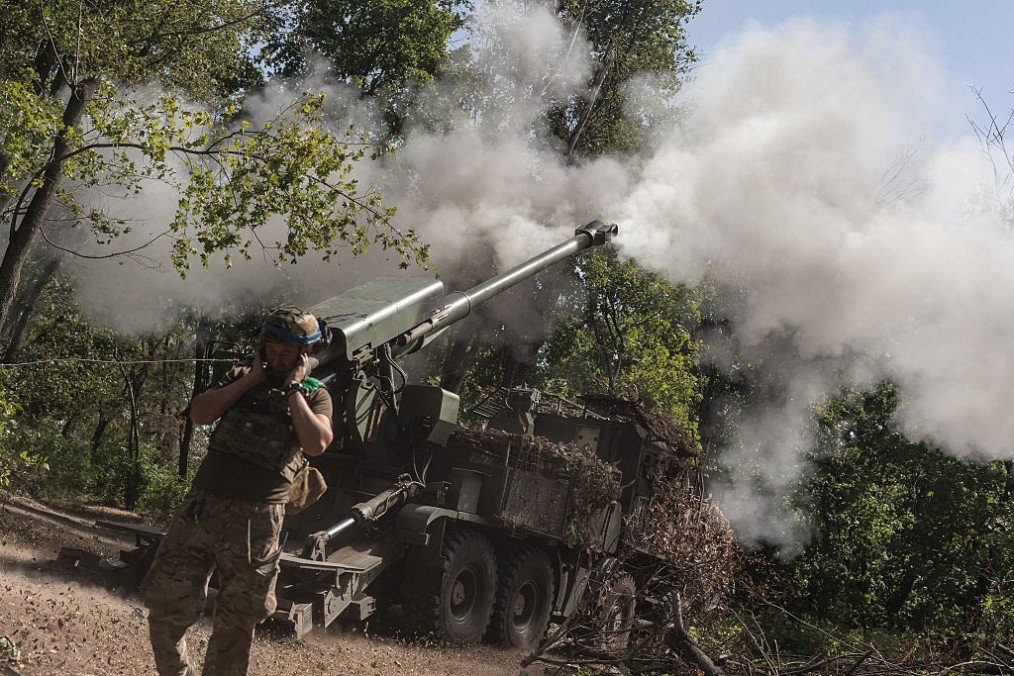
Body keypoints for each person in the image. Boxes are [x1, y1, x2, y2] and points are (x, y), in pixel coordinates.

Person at [141, 306, 334, 676]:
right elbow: (199, 414)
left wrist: (293, 390)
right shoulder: (239, 377)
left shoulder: (314, 395)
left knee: (235, 624)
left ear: (302, 355)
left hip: (257, 523)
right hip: (202, 509)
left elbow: (317, 443)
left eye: (286, 354)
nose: (278, 359)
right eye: (272, 350)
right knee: (164, 606)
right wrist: (250, 380)